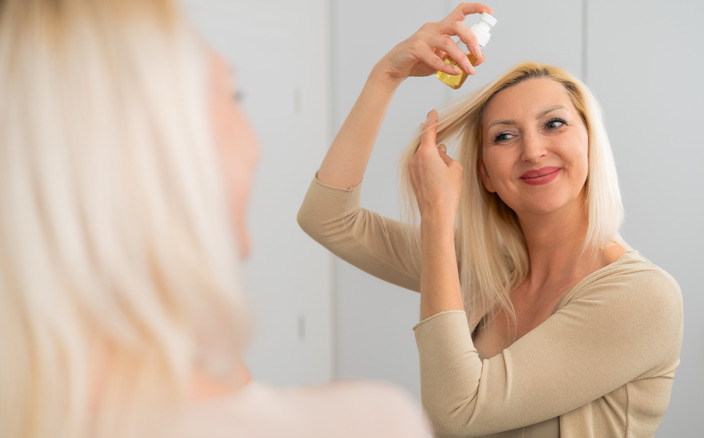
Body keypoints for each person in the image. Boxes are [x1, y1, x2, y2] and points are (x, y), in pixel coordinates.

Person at [0, 1, 429, 437]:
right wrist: (385, 78)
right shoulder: (369, 420)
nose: (255, 142)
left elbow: (467, 410)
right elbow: (329, 218)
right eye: (232, 97)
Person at [297, 3, 683, 437]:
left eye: (554, 124)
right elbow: (327, 218)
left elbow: (458, 411)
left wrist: (438, 219)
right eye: (504, 136)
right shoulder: (481, 268)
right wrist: (386, 76)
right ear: (485, 174)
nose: (533, 150)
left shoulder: (641, 295)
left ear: (591, 145)